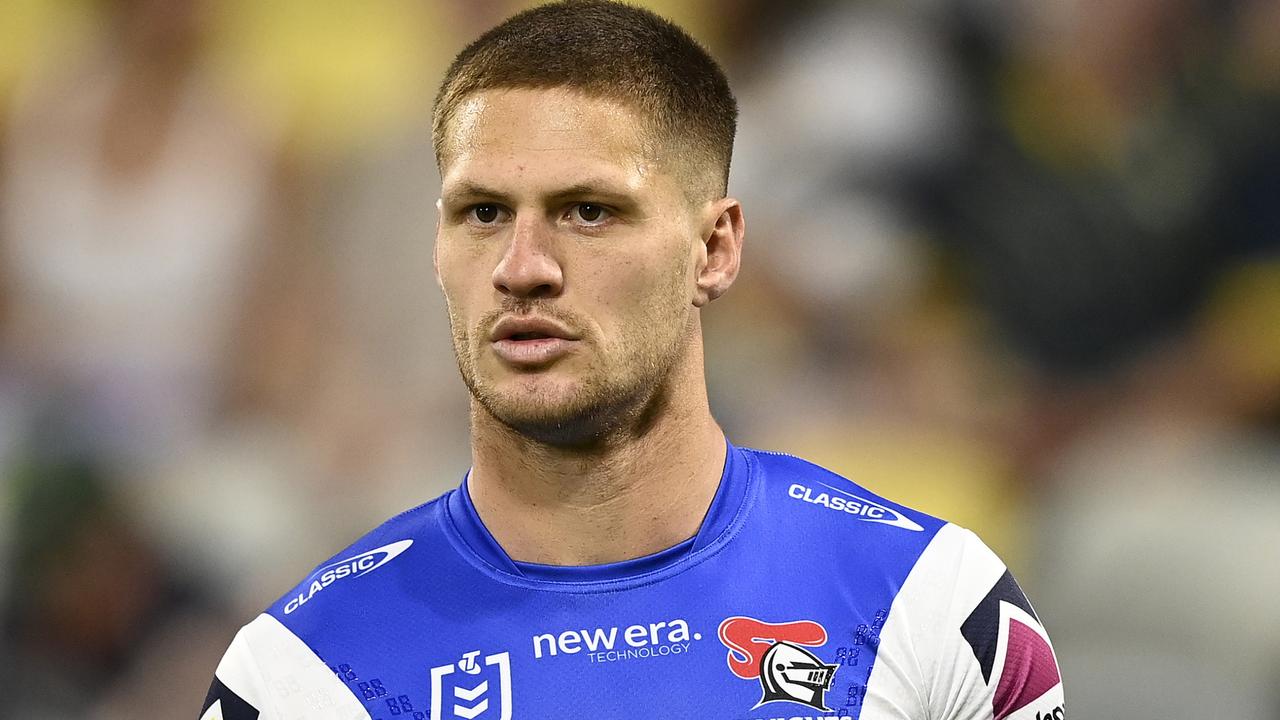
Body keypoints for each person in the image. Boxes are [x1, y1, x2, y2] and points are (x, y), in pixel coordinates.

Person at [200, 2, 1065, 718]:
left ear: (715, 248)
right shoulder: (304, 677)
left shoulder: (936, 607)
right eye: (483, 213)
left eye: (588, 212)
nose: (522, 267)